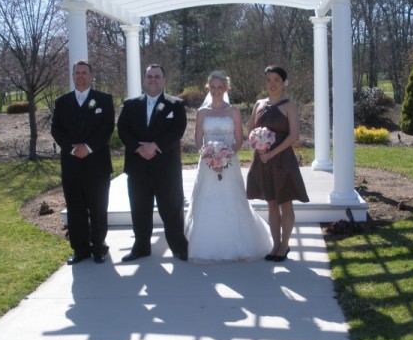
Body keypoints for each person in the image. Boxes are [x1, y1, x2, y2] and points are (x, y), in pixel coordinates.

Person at [185, 71, 272, 263]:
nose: (216, 90)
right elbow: (198, 139)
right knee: (206, 199)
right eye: (213, 87)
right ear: (208, 88)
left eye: (220, 87)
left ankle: (238, 245)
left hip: (230, 163)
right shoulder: (202, 112)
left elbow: (239, 140)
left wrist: (225, 158)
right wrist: (210, 157)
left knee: (232, 199)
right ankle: (204, 246)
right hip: (206, 164)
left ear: (225, 88)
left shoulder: (233, 111)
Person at [117, 64, 189, 261]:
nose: (153, 80)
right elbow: (123, 129)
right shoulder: (130, 104)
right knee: (139, 209)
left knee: (171, 209)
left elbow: (178, 131)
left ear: (164, 80)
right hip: (138, 166)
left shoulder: (176, 105)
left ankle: (179, 247)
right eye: (150, 76)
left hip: (166, 168)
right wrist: (139, 148)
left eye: (157, 76)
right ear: (144, 79)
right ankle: (141, 247)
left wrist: (155, 146)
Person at [51, 60, 115, 265]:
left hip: (97, 163)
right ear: (73, 76)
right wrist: (73, 148)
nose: (80, 76)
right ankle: (80, 250)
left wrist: (87, 147)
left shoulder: (104, 100)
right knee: (75, 207)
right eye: (77, 73)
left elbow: (107, 128)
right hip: (71, 163)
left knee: (98, 207)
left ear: (91, 76)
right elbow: (56, 129)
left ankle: (99, 248)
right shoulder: (62, 101)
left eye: (84, 72)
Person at [246, 65, 309, 262]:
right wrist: (258, 144)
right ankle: (275, 244)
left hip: (282, 161)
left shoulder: (289, 105)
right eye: (268, 80)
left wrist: (272, 152)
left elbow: (294, 135)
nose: (272, 84)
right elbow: (250, 129)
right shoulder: (259, 104)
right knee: (271, 204)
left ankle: (284, 245)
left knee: (285, 203)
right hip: (263, 160)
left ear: (284, 83)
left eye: (276, 80)